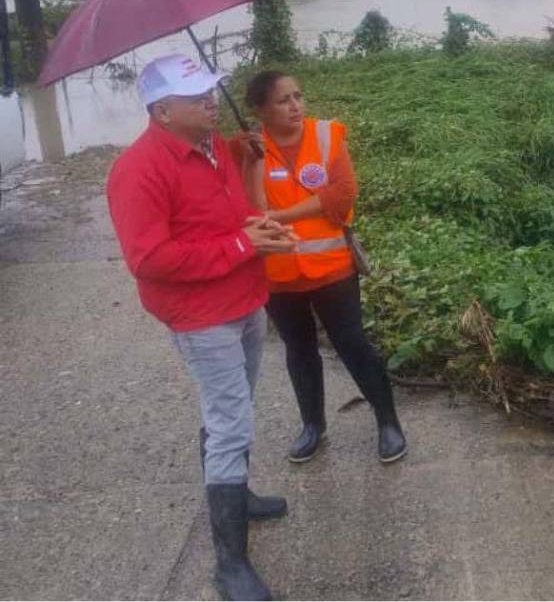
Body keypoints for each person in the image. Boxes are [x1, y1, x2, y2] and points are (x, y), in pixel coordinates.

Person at [106, 53, 296, 602]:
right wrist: (243, 244)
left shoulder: (214, 148)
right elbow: (150, 259)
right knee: (232, 419)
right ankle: (229, 564)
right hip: (199, 315)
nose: (213, 101)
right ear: (162, 111)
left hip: (244, 298)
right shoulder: (138, 170)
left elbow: (226, 216)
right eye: (198, 97)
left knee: (233, 408)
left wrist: (253, 224)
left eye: (212, 91)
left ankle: (237, 491)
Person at [240, 70, 407, 465]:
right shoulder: (249, 148)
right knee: (298, 349)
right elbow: (252, 211)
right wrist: (250, 166)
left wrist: (282, 214)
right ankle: (312, 425)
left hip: (332, 267)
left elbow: (341, 193)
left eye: (299, 96)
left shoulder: (326, 135)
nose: (296, 106)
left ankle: (388, 421)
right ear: (260, 109)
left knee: (353, 343)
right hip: (279, 274)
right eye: (284, 100)